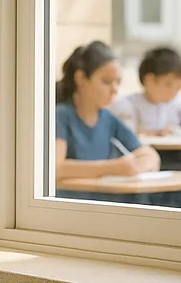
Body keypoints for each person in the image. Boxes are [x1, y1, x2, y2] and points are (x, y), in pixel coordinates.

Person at [54, 41, 160, 202]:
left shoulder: (108, 118)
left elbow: (151, 156)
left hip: (106, 202)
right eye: (106, 81)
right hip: (73, 205)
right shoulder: (61, 115)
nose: (115, 89)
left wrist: (138, 164)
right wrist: (114, 168)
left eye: (118, 82)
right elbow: (55, 168)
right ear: (81, 78)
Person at [110, 46, 181, 136]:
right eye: (168, 85)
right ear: (149, 80)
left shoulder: (178, 105)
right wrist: (156, 133)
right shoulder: (128, 105)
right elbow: (123, 132)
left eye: (178, 88)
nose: (173, 92)